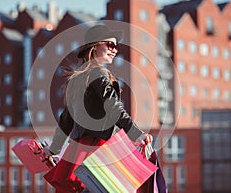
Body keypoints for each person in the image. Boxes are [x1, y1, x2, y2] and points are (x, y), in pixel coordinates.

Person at [47, 24, 153, 192]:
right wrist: (136, 133)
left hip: (80, 148)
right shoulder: (98, 73)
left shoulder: (77, 78)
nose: (114, 50)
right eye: (110, 45)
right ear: (95, 45)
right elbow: (113, 106)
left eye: (116, 46)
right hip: (100, 147)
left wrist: (53, 149)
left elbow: (66, 120)